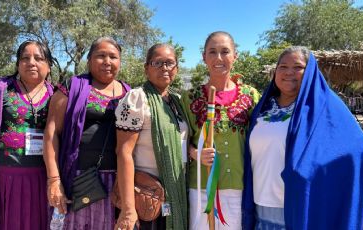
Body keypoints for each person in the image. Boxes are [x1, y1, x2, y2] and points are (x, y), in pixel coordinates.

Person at [242, 46, 363, 229]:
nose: (289, 72)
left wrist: (308, 171)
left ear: (309, 72)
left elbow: (358, 149)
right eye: (283, 67)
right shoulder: (263, 108)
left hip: (304, 210)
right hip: (261, 210)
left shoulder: (326, 105)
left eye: (298, 67)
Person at [0, 40, 54, 229]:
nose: (31, 62)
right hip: (7, 180)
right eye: (25, 58)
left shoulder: (57, 96)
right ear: (17, 64)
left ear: (49, 65)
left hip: (42, 179)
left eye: (38, 58)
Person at [43, 37, 130, 230]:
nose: (107, 61)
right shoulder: (71, 87)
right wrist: (54, 180)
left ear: (120, 62)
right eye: (101, 56)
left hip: (116, 182)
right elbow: (51, 134)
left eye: (113, 57)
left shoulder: (128, 93)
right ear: (89, 60)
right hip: (77, 179)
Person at [181, 31, 260, 229]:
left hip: (239, 186)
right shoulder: (189, 97)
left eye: (225, 51)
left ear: (235, 56)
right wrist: (195, 153)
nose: (219, 58)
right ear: (204, 57)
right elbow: (180, 138)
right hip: (201, 186)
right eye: (212, 52)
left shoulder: (250, 95)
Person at [114, 43, 188, 230]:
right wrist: (128, 208)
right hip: (144, 196)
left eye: (170, 63)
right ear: (146, 68)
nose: (164, 68)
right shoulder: (137, 98)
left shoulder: (177, 102)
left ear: (176, 69)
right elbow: (124, 153)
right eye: (157, 62)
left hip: (174, 192)